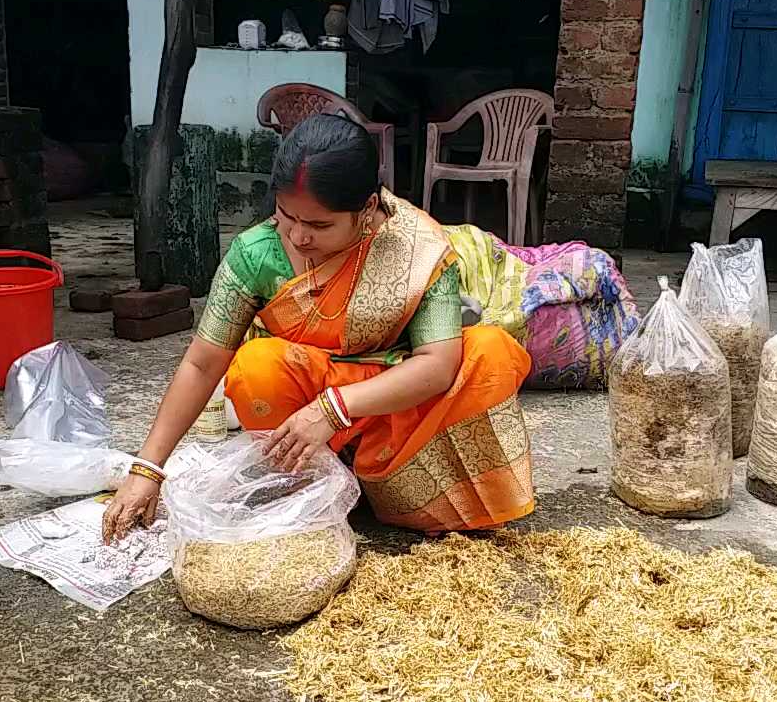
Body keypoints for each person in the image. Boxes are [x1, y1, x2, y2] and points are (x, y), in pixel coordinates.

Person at [102, 113, 637, 543]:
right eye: (286, 216)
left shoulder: (416, 251)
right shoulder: (255, 254)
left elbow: (439, 365)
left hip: (396, 410)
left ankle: (409, 501)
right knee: (255, 367)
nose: (298, 237)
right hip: (313, 411)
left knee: (491, 351)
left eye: (318, 225)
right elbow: (202, 361)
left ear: (367, 211)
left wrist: (335, 407)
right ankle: (317, 493)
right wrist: (146, 470)